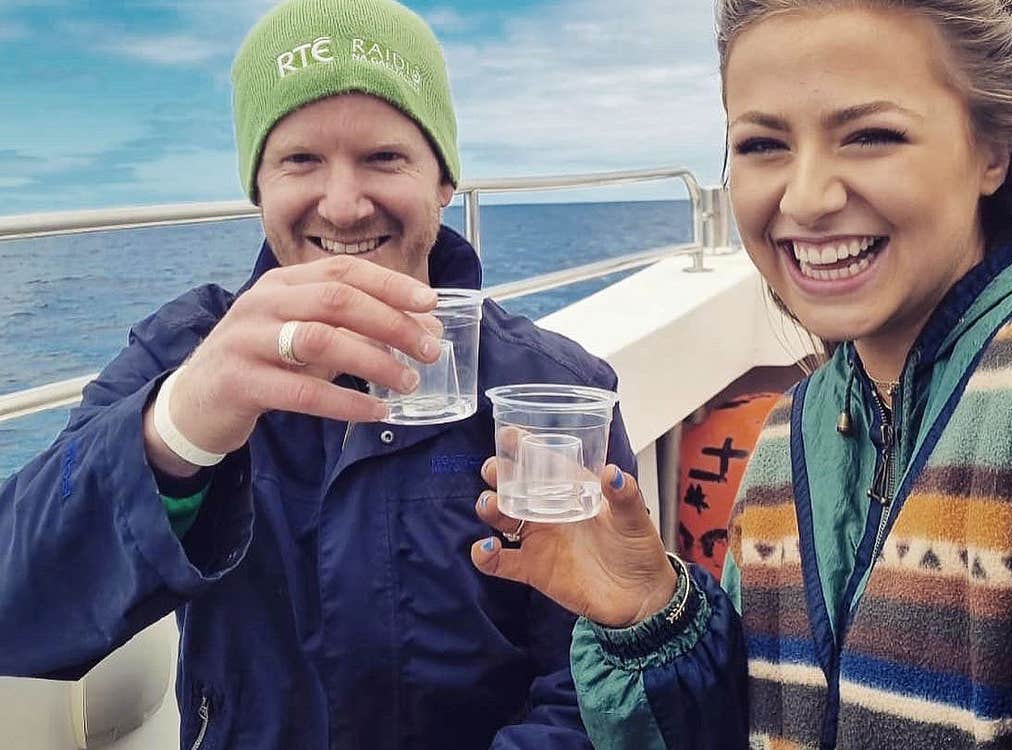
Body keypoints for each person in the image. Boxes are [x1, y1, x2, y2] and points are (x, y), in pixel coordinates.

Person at [469, 0, 1012, 747]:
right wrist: (650, 616)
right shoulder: (794, 436)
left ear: (992, 150)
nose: (806, 197)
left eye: (871, 136)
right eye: (763, 144)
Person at [0, 0, 632, 748]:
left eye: (384, 157)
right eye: (300, 160)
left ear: (443, 181)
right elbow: (19, 612)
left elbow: (593, 684)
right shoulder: (182, 355)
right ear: (258, 188)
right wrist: (172, 434)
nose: (344, 205)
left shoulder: (552, 389)